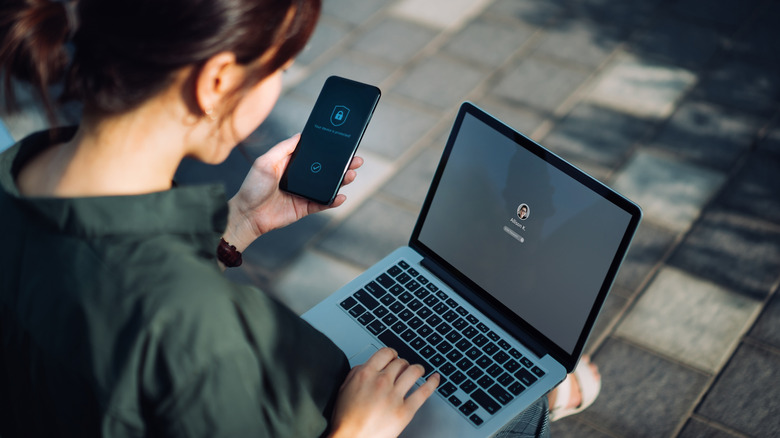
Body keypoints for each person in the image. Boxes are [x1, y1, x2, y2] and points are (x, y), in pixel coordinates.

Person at [0, 0, 598, 436]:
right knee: (515, 408)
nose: (282, 81)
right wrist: (359, 434)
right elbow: (157, 318)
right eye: (280, 63)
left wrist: (239, 224)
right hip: (342, 415)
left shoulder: (18, 167)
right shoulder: (191, 330)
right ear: (214, 83)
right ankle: (548, 400)